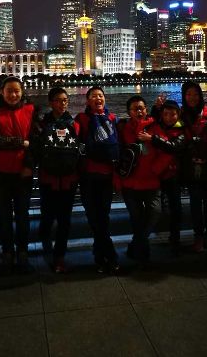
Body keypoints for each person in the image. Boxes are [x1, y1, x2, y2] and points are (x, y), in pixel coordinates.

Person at [33, 87, 81, 273]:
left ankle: (59, 256)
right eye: (58, 100)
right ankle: (45, 241)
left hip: (69, 179)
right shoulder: (42, 125)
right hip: (48, 178)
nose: (62, 104)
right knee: (47, 216)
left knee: (64, 219)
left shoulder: (75, 124)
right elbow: (36, 149)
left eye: (65, 100)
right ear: (51, 102)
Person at [0, 76, 35, 273]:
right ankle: (7, 252)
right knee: (4, 216)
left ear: (22, 91)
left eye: (16, 90)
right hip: (0, 173)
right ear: (2, 92)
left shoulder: (31, 111)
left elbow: (35, 141)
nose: (13, 94)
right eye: (9, 90)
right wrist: (21, 143)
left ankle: (23, 252)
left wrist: (29, 164)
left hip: (23, 173)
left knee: (23, 215)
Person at [75, 86, 120, 273]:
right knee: (95, 218)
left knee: (103, 217)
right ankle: (109, 255)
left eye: (100, 95)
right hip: (88, 176)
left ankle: (100, 257)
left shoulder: (113, 118)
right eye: (93, 96)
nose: (98, 98)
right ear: (87, 101)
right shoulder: (81, 119)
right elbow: (75, 141)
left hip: (107, 176)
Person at [116, 96, 164, 265]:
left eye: (142, 108)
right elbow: (118, 155)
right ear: (129, 112)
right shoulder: (123, 129)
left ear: (146, 110)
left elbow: (165, 151)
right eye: (135, 108)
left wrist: (156, 169)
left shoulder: (155, 126)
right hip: (130, 183)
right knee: (136, 219)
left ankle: (136, 245)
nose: (139, 111)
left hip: (151, 181)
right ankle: (143, 252)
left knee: (155, 212)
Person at [139, 100, 186, 254]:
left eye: (173, 114)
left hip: (172, 176)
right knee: (156, 209)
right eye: (166, 114)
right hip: (157, 174)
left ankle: (175, 239)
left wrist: (152, 139)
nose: (169, 117)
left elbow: (173, 147)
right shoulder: (156, 127)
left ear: (178, 115)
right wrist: (155, 108)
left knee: (175, 208)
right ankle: (143, 240)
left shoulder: (182, 131)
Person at [181, 81, 207, 253]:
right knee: (195, 202)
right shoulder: (180, 116)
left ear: (200, 95)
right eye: (188, 94)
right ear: (184, 96)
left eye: (195, 94)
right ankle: (198, 236)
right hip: (190, 166)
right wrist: (157, 109)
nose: (192, 97)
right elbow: (164, 126)